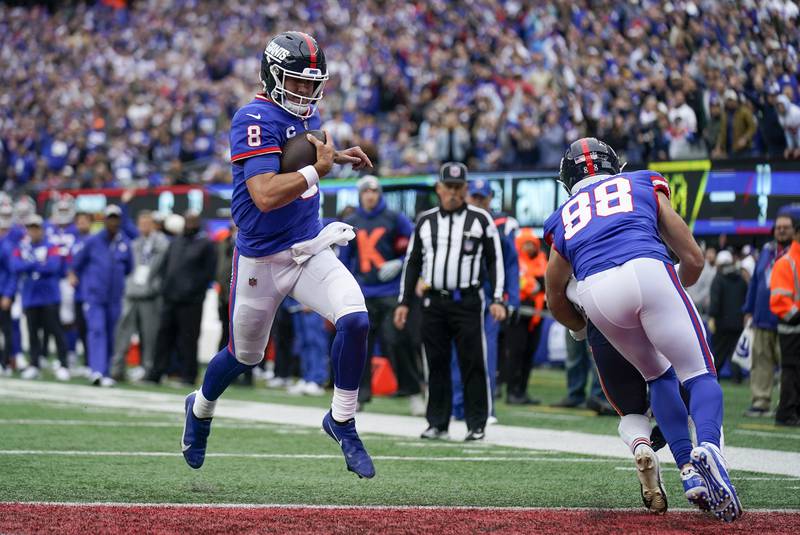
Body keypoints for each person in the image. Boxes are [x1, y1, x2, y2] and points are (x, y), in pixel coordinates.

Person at [181, 31, 376, 480]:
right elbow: (266, 194)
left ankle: (342, 420)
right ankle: (202, 407)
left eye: (313, 84)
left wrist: (336, 158)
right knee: (244, 356)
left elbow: (299, 157)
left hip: (308, 247)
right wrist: (316, 169)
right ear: (273, 76)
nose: (306, 92)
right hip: (260, 260)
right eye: (298, 82)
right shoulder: (252, 116)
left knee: (356, 318)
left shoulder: (306, 115)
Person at [544, 137, 741, 522]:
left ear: (568, 180)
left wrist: (581, 330)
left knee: (658, 375)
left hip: (596, 293)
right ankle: (711, 450)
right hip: (646, 267)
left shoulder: (564, 214)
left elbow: (555, 296)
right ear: (614, 165)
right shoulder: (641, 181)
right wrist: (670, 296)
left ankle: (687, 470)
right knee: (699, 373)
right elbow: (694, 257)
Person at [394, 162, 506, 441]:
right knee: (436, 363)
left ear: (465, 189)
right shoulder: (425, 220)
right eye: (449, 187)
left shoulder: (481, 220)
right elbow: (413, 262)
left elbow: (495, 261)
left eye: (458, 188)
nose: (453, 193)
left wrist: (497, 298)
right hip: (433, 302)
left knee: (473, 363)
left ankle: (476, 423)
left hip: (467, 300)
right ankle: (437, 423)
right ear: (439, 188)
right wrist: (404, 301)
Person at [339, 175, 422, 413]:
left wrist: (399, 262)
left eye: (374, 191)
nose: (370, 195)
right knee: (359, 346)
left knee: (396, 340)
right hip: (363, 292)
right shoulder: (352, 221)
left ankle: (413, 390)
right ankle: (359, 395)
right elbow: (344, 262)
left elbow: (416, 246)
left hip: (391, 291)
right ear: (360, 194)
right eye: (366, 191)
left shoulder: (395, 218)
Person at [453, 179, 520, 414]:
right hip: (459, 294)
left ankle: (482, 408)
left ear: (491, 198)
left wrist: (509, 299)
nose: (479, 201)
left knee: (486, 353)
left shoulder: (501, 224)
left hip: (489, 296)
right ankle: (457, 406)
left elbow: (511, 264)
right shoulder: (456, 219)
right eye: (475, 196)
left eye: (483, 197)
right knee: (456, 352)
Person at [147, 211, 216, 386]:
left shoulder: (206, 244)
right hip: (170, 297)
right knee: (163, 336)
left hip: (191, 301)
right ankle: (156, 373)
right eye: (188, 221)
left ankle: (188, 375)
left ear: (199, 223)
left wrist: (194, 291)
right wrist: (164, 286)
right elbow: (165, 266)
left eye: (194, 222)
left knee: (188, 339)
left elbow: (208, 273)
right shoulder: (176, 242)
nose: (190, 225)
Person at [70, 205, 133, 386]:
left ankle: (105, 371)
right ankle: (96, 370)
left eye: (116, 218)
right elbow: (77, 264)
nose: (113, 222)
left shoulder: (124, 242)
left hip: (114, 297)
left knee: (111, 333)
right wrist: (82, 282)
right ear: (105, 220)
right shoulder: (93, 241)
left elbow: (129, 268)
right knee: (97, 330)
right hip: (95, 296)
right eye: (110, 218)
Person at [110, 209, 170, 382]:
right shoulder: (134, 244)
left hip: (150, 295)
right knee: (123, 332)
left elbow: (162, 265)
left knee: (150, 335)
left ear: (154, 225)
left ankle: (148, 369)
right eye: (141, 223)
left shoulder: (161, 243)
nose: (144, 226)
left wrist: (155, 286)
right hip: (131, 292)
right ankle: (117, 368)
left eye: (147, 223)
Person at [743, 215, 791, 417]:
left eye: (785, 227)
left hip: (787, 318)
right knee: (761, 362)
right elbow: (755, 281)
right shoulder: (767, 251)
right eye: (778, 227)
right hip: (762, 316)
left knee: (790, 365)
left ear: (793, 230)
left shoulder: (795, 253)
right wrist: (748, 310)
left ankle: (789, 404)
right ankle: (761, 402)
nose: (781, 230)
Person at [11, 214, 69, 380]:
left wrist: (31, 267)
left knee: (56, 331)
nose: (33, 231)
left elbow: (53, 266)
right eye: (31, 228)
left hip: (49, 296)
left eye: (36, 228)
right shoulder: (22, 247)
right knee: (32, 333)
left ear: (42, 229)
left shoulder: (51, 245)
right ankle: (34, 364)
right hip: (30, 297)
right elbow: (16, 266)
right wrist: (37, 264)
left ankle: (63, 364)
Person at [768, 218, 800, 427]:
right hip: (791, 326)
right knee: (791, 370)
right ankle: (786, 412)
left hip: (793, 323)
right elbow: (778, 300)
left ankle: (791, 411)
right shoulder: (786, 262)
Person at [708, 250, 748, 382]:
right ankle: (737, 378)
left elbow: (715, 301)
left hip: (722, 323)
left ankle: (714, 376)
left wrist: (712, 317)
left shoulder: (718, 279)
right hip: (738, 323)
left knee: (719, 352)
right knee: (735, 354)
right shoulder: (741, 279)